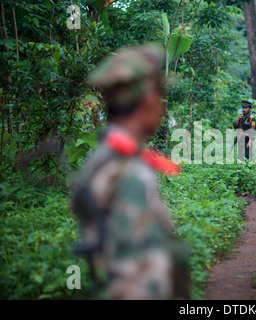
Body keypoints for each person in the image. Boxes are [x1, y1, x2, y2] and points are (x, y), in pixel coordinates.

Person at [70, 44, 190, 299]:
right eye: (159, 96)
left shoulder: (106, 156)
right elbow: (137, 275)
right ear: (148, 100)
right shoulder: (127, 170)